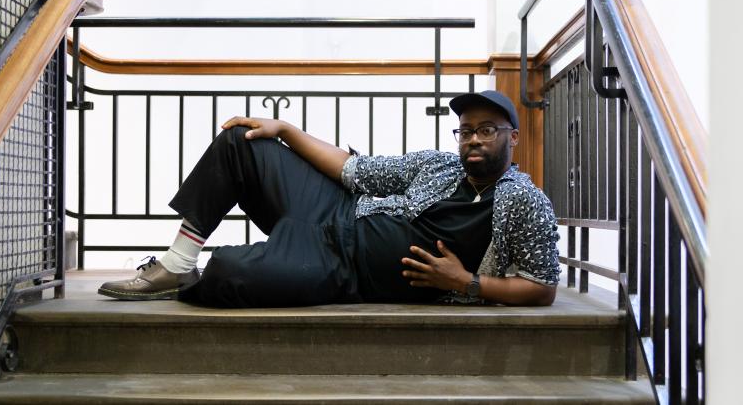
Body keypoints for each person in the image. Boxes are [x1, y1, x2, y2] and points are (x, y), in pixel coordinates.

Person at [98, 90, 561, 307]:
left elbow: (541, 286)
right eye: (466, 130)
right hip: (334, 208)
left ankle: (224, 267)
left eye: (487, 130)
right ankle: (177, 263)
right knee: (243, 140)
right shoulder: (438, 164)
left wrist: (466, 283)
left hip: (342, 266)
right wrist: (286, 130)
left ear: (513, 137)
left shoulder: (525, 201)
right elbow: (351, 168)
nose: (473, 139)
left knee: (225, 271)